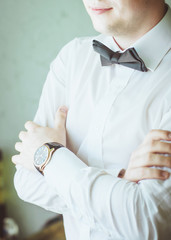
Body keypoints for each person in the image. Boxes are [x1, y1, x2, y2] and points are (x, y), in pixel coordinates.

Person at [12, 0, 171, 239]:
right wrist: (120, 182)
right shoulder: (72, 57)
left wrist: (50, 157)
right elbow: (26, 182)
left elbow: (148, 224)